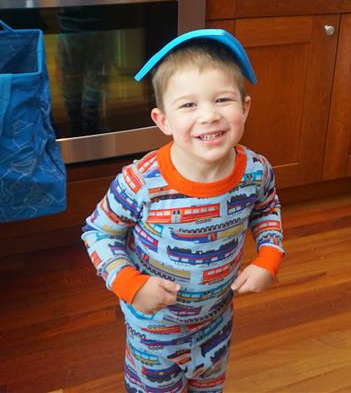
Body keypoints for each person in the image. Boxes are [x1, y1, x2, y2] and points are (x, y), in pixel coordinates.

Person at [82, 29, 283, 392]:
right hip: (153, 331)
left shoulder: (256, 171)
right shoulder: (140, 182)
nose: (209, 115)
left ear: (245, 107)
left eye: (222, 99)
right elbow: (98, 232)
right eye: (189, 105)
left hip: (216, 323)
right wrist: (130, 284)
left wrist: (269, 257)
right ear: (163, 121)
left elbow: (267, 208)